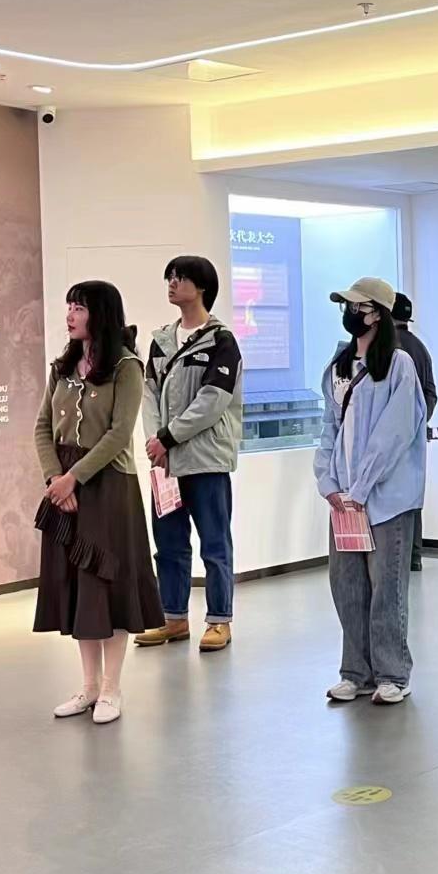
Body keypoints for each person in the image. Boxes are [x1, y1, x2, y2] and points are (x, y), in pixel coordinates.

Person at [34, 281, 164, 724]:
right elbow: (42, 426)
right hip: (63, 483)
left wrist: (74, 478)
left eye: (79, 307)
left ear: (101, 314)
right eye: (69, 306)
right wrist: (55, 479)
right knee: (76, 586)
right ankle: (88, 686)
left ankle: (112, 688)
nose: (70, 315)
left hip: (108, 486)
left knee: (108, 585)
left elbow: (119, 433)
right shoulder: (62, 366)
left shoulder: (127, 366)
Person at [315, 277, 427, 704]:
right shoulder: (339, 366)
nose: (350, 313)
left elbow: (393, 434)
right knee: (347, 585)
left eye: (357, 306)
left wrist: (361, 487)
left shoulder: (399, 365)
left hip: (386, 499)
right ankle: (355, 671)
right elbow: (329, 427)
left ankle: (392, 673)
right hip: (344, 500)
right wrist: (329, 483)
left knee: (387, 588)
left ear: (377, 313)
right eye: (346, 306)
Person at [137, 256, 243, 652]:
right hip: (165, 462)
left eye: (180, 278)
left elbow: (212, 400)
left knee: (214, 544)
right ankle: (173, 617)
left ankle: (219, 620)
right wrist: (155, 442)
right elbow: (148, 394)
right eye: (169, 276)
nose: (172, 283)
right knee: (168, 544)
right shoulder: (161, 340)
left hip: (205, 460)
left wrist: (168, 437)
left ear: (201, 287)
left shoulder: (221, 341)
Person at [391, 291, 438, 572]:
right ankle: (414, 555)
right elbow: (431, 393)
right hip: (415, 438)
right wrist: (420, 422)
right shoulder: (420, 348)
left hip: (393, 440)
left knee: (391, 499)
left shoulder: (389, 349)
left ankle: (396, 555)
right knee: (413, 495)